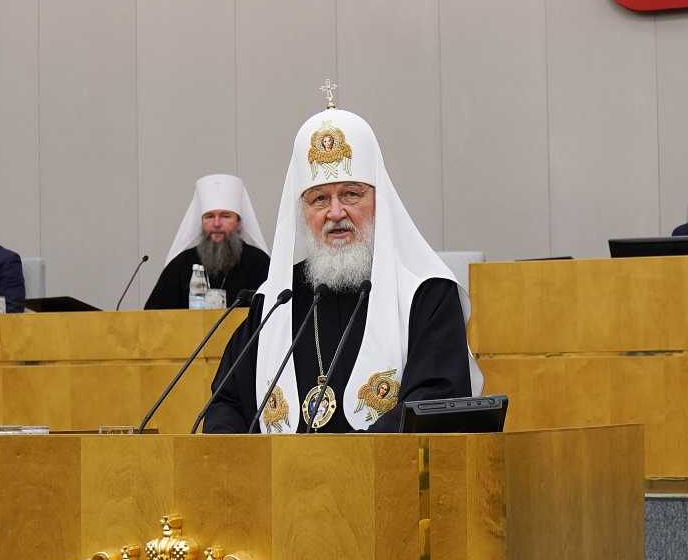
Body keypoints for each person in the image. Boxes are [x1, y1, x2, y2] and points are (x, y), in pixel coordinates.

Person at [201, 105, 476, 434]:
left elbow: (435, 402)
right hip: (283, 469)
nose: (335, 213)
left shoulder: (426, 293)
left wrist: (341, 460)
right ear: (303, 213)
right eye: (319, 199)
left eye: (351, 194)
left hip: (383, 467)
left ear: (379, 202)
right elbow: (227, 402)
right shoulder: (277, 299)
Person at [144, 174, 273, 309]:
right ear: (201, 221)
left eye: (225, 216)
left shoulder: (259, 262)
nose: (216, 223)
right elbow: (153, 315)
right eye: (209, 216)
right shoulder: (180, 265)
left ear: (238, 222)